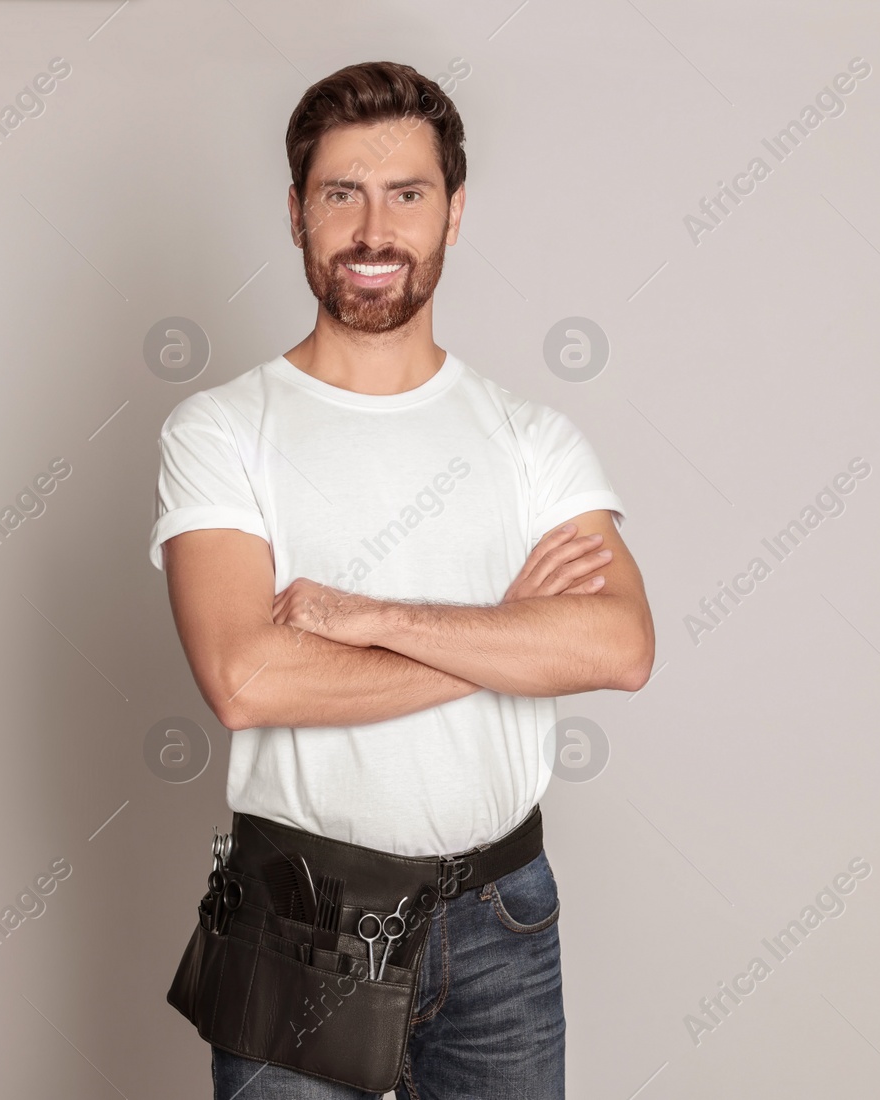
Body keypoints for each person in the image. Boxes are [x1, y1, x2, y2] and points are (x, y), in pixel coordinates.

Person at [150, 59, 654, 1100]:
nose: (374, 230)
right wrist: (508, 635)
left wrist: (370, 619)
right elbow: (247, 677)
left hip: (501, 912)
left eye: (407, 194)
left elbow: (619, 646)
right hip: (298, 917)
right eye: (342, 193)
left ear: (453, 213)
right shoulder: (220, 430)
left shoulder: (531, 440)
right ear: (297, 213)